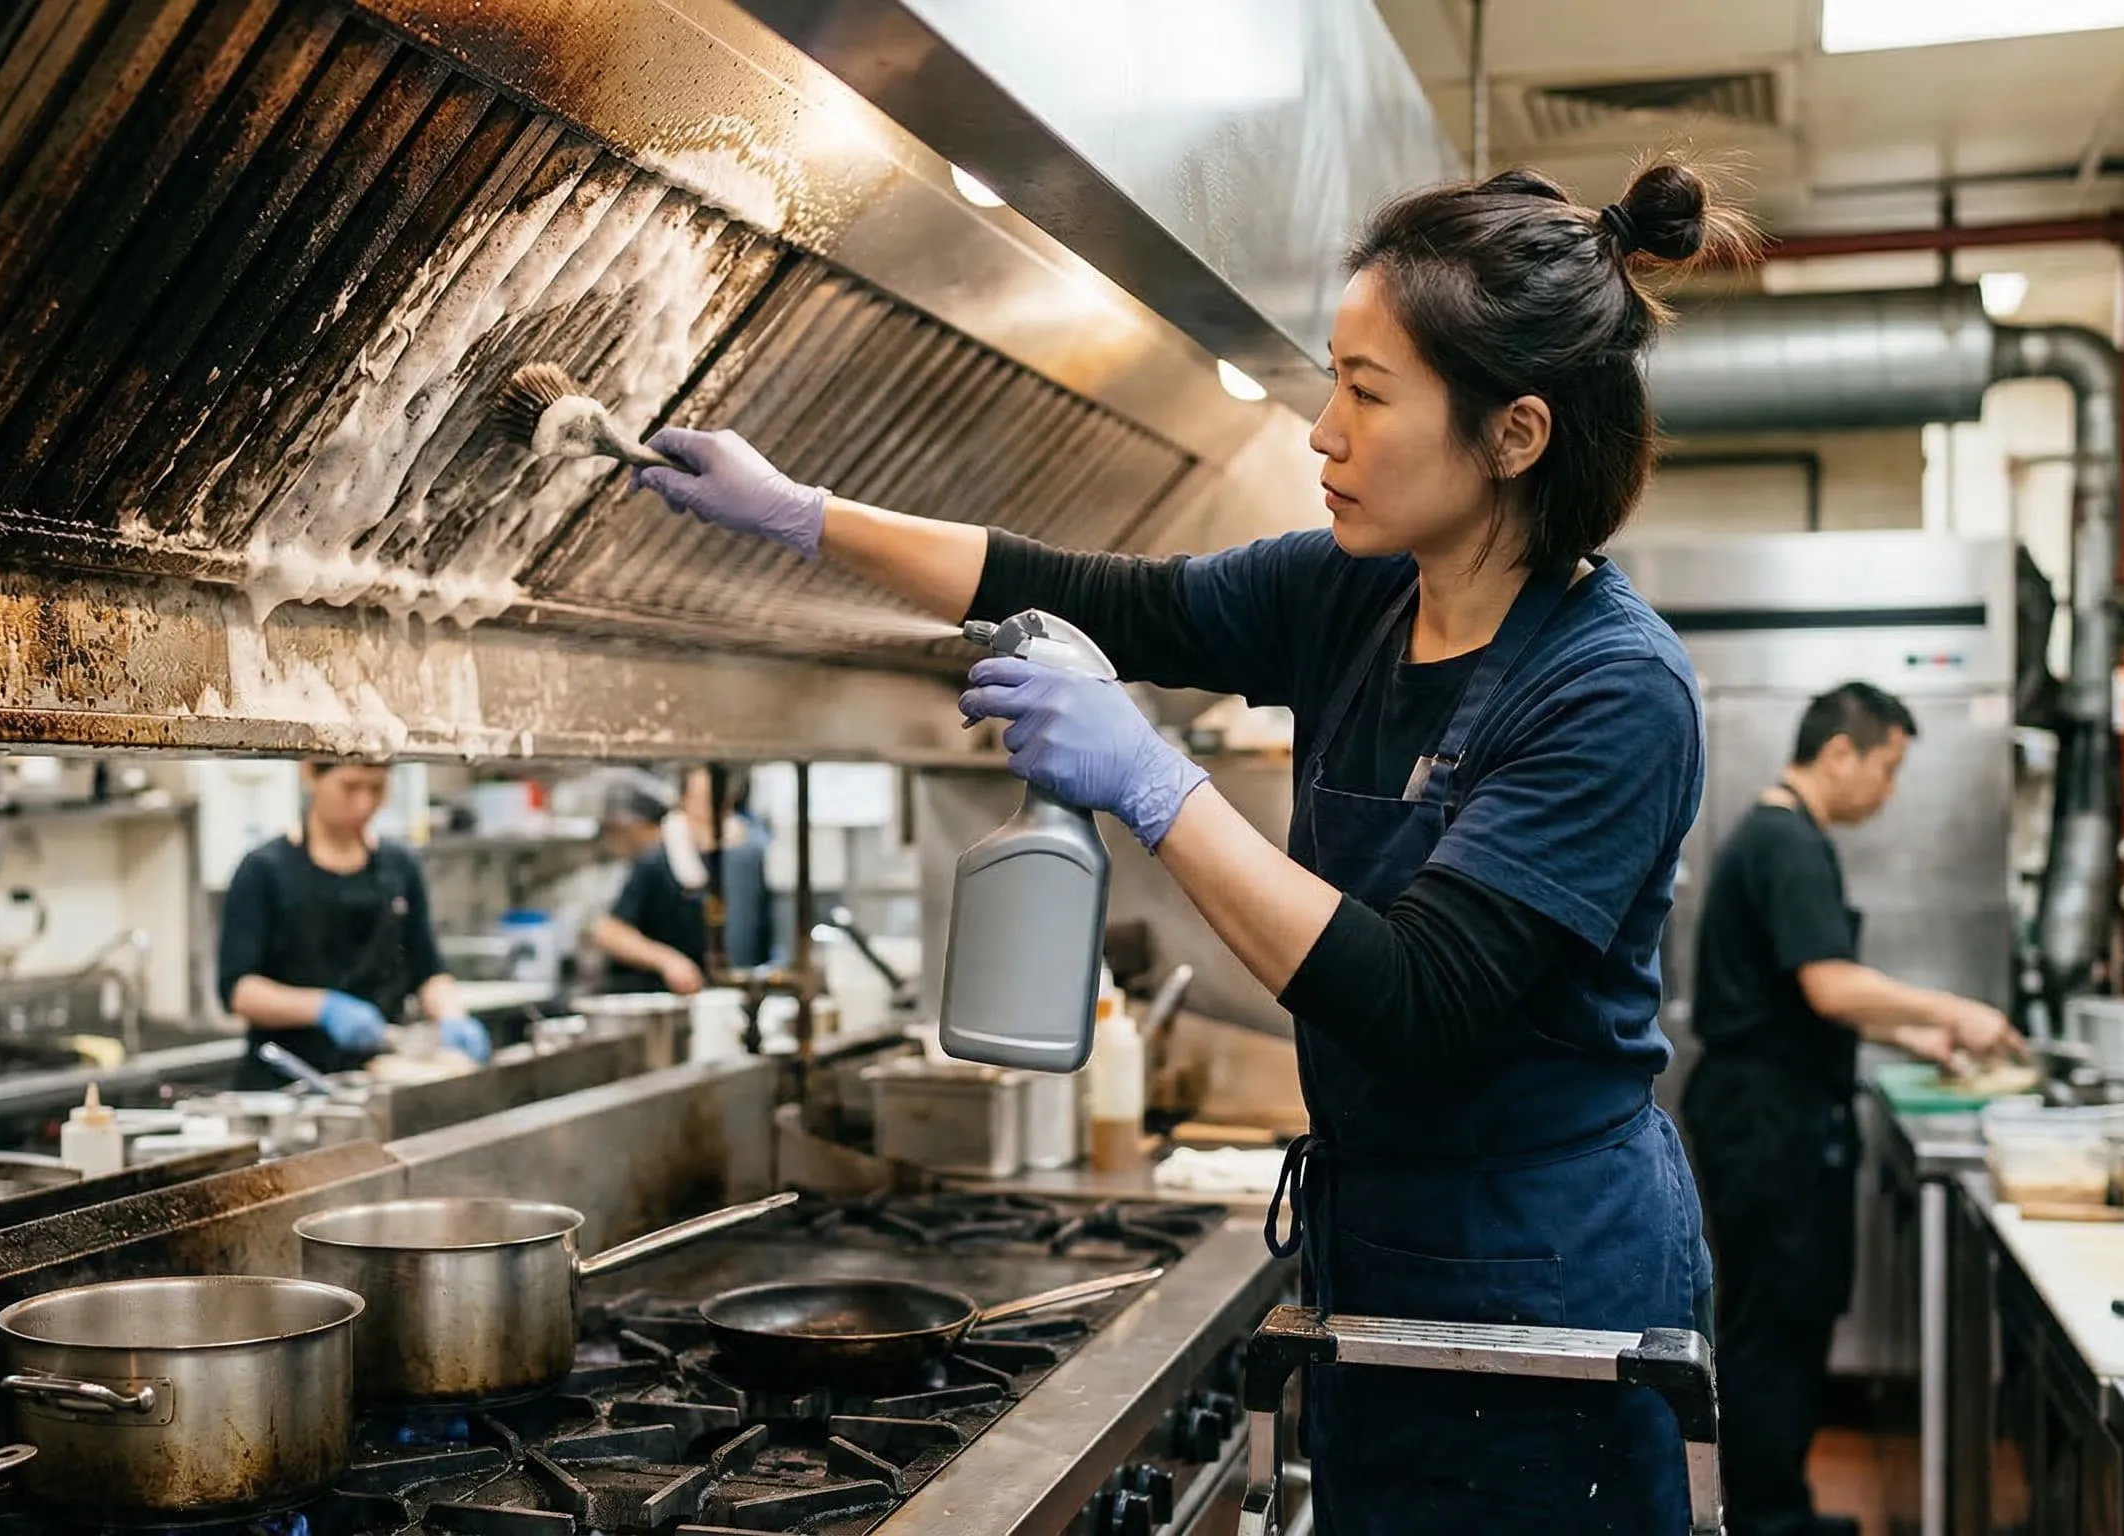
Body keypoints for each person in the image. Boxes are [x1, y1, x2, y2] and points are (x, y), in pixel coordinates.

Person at [635, 159, 1740, 1531]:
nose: (1323, 433)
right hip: (1379, 1255)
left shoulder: (1612, 688)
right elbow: (1105, 597)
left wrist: (1154, 782)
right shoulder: (1354, 594)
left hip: (1550, 1286)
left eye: (1368, 392)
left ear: (1513, 436)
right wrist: (802, 516)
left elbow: (1418, 999)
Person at [1681, 682, 2023, 1536]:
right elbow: (1829, 986)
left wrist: (1917, 1043)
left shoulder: (1778, 836)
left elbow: (1804, 998)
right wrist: (1956, 1012)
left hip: (1764, 1111)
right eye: (1888, 767)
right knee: (1776, 1322)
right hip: (1769, 1124)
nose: (1890, 790)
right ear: (1840, 753)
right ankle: (1767, 1518)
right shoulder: (1787, 842)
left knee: (1776, 1315)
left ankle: (1771, 1504)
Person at [218, 760, 490, 1087]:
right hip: (286, 1081)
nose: (364, 803)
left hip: (376, 1079)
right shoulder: (264, 870)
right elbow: (238, 990)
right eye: (350, 787)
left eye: (376, 788)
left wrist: (452, 1016)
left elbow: (428, 970)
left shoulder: (399, 867)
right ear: (310, 774)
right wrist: (323, 1008)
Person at [589, 766, 775, 994]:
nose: (708, 815)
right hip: (666, 996)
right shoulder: (658, 860)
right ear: (684, 801)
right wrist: (667, 961)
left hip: (730, 995)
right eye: (701, 803)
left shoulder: (749, 857)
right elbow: (609, 931)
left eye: (717, 804)